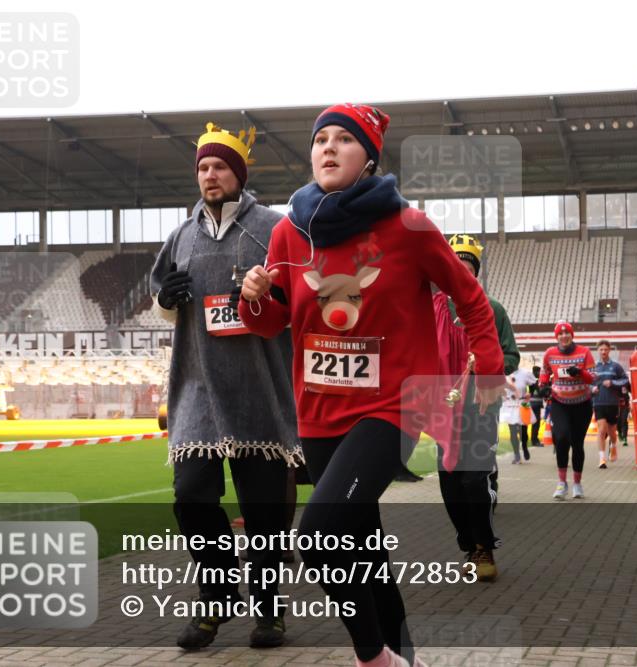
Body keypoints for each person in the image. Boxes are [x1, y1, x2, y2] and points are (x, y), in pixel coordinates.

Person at [237, 103, 506, 667]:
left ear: (369, 157)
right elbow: (272, 323)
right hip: (318, 413)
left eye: (343, 140)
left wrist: (488, 365)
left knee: (319, 535)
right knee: (361, 552)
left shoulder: (408, 227)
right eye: (320, 140)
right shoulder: (291, 231)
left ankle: (372, 659)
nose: (327, 148)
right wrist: (254, 297)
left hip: (394, 406)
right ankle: (405, 656)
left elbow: (469, 296)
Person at [149, 122, 300, 650]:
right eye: (202, 168)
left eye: (219, 167)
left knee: (262, 512)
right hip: (196, 388)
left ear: (238, 173)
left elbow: (298, 303)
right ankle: (217, 595)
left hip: (260, 388)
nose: (209, 176)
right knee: (191, 497)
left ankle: (268, 609)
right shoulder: (180, 237)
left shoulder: (274, 229)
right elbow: (162, 305)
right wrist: (165, 298)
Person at [435, 234, 519, 582]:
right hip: (443, 407)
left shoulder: (493, 308)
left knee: (473, 480)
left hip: (482, 406)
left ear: (476, 271)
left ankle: (484, 547)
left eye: (468, 266)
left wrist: (487, 368)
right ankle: (468, 545)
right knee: (450, 485)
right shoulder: (433, 307)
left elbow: (511, 355)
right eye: (457, 265)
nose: (462, 271)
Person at [539, 321, 595, 499]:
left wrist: (579, 372)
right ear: (556, 337)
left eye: (567, 333)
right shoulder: (550, 353)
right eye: (560, 334)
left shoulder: (584, 352)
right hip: (559, 402)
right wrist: (543, 386)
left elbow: (592, 378)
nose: (564, 336)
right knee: (562, 438)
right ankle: (562, 483)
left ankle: (577, 484)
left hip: (582, 403)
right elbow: (544, 372)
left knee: (577, 444)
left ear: (572, 335)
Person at [592, 340, 629, 468]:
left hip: (613, 403)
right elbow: (588, 382)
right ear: (598, 351)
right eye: (601, 349)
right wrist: (593, 389)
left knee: (612, 431)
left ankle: (613, 445)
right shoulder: (593, 367)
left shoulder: (616, 366)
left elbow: (625, 380)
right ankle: (602, 459)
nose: (603, 352)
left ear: (609, 350)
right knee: (601, 430)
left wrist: (612, 383)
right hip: (598, 403)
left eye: (605, 349)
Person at [502, 364, 537, 463]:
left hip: (522, 403)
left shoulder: (525, 373)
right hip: (509, 404)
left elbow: (534, 384)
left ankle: (525, 447)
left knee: (523, 432)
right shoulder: (503, 374)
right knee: (512, 431)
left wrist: (530, 393)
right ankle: (516, 454)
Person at [527, 365, 544, 446]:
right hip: (534, 403)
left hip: (536, 403)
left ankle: (534, 439)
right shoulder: (533, 381)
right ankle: (534, 440)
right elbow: (539, 391)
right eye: (538, 372)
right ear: (535, 372)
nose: (540, 374)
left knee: (536, 422)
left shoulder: (536, 381)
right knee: (536, 422)